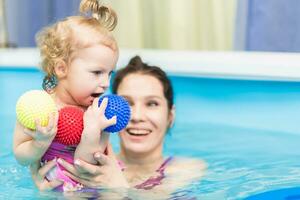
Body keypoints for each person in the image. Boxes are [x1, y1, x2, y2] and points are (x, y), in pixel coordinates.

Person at [31, 56, 206, 198]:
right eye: (126, 103)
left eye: (152, 104)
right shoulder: (88, 163)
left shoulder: (185, 170)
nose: (136, 116)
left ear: (170, 116)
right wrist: (50, 193)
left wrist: (119, 188)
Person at [13, 0, 119, 191]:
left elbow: (85, 165)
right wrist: (39, 144)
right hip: (55, 186)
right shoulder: (39, 107)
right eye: (97, 72)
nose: (106, 83)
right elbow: (21, 157)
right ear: (62, 68)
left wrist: (92, 132)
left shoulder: (97, 113)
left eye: (110, 73)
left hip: (94, 185)